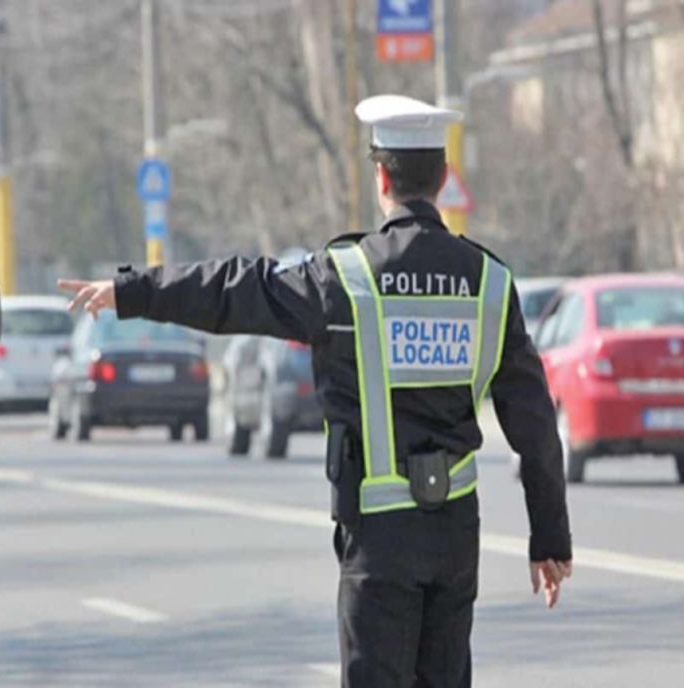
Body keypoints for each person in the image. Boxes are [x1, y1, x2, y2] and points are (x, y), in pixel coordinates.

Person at [60, 94, 572, 687]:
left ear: (382, 177)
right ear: (443, 177)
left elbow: (236, 291)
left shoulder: (345, 277)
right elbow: (535, 425)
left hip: (379, 538)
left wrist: (132, 292)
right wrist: (549, 538)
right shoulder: (490, 283)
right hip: (455, 535)